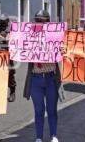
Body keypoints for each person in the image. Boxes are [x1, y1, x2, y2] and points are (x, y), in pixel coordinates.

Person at [23, 9, 63, 142]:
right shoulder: (29, 36)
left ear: (48, 23)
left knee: (52, 110)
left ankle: (54, 135)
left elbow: (64, 50)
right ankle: (39, 137)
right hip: (36, 79)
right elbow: (19, 47)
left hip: (51, 78)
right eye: (38, 21)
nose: (40, 23)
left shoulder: (55, 37)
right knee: (39, 110)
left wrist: (63, 49)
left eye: (43, 21)